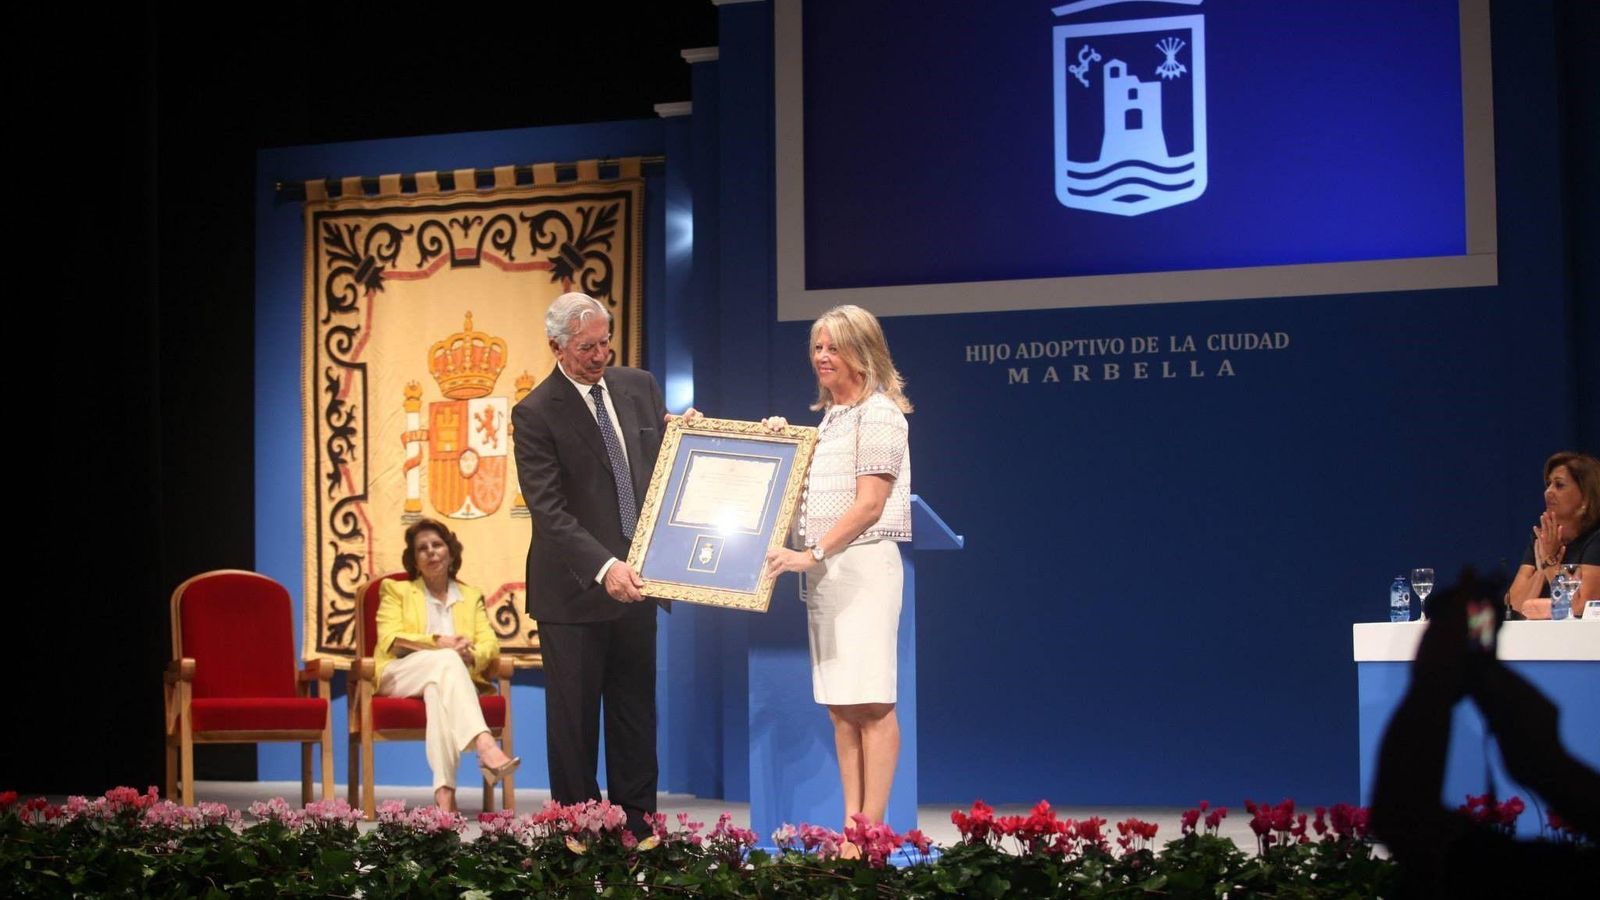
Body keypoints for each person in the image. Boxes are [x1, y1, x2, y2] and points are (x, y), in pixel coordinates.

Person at [512, 291, 676, 833]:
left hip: (640, 586)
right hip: (577, 593)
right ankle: (580, 835)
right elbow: (550, 512)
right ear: (557, 347)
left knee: (635, 718)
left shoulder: (639, 387)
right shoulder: (535, 413)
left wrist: (690, 437)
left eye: (606, 341)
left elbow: (661, 468)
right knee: (575, 726)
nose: (601, 354)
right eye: (587, 347)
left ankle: (639, 831)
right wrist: (607, 568)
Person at [764, 304, 913, 837]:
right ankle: (854, 827)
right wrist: (779, 444)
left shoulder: (879, 414)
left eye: (834, 347)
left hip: (863, 570)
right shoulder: (831, 419)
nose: (822, 357)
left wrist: (811, 554)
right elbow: (808, 495)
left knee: (871, 704)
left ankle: (871, 832)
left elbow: (869, 504)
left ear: (862, 352)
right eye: (818, 347)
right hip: (829, 576)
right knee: (841, 709)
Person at [1371, 571, 1599, 898]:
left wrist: (1437, 681)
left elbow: (1403, 816)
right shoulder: (1569, 877)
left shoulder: (1503, 878)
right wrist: (1546, 760)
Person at [375, 518, 520, 812]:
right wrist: (438, 642)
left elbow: (489, 644)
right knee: (445, 659)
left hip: (444, 679)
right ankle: (485, 745)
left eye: (437, 545)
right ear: (415, 560)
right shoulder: (396, 590)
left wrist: (471, 655)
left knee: (437, 691)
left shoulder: (471, 596)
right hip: (399, 674)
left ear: (450, 553)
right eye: (422, 549)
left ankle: (444, 798)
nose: (431, 552)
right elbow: (390, 638)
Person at [1503, 451, 1600, 619]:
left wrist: (1550, 562)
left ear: (1585, 500)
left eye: (1559, 485)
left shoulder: (1596, 539)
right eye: (1548, 484)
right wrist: (1543, 568)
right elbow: (1513, 609)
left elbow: (1581, 607)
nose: (1548, 491)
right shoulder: (1542, 539)